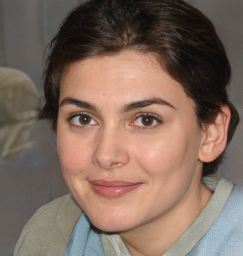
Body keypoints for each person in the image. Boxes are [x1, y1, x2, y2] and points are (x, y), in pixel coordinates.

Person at [14, 0, 242, 255]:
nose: (106, 155)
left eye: (146, 120)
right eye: (83, 119)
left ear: (211, 134)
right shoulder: (51, 233)